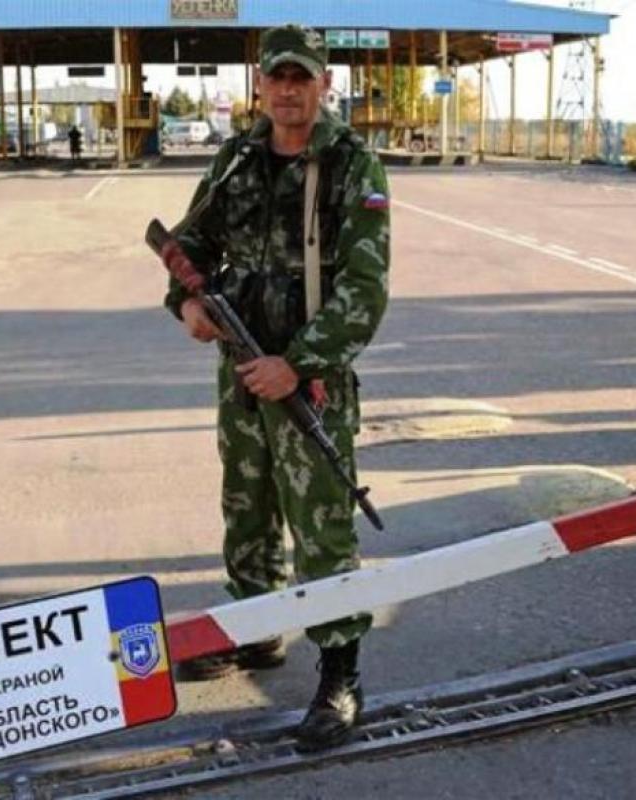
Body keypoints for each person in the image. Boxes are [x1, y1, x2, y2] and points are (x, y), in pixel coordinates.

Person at [160, 24, 390, 751]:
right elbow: (188, 245)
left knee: (321, 521)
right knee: (248, 507)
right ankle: (252, 629)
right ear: (260, 85)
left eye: (304, 78)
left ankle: (341, 671)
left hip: (306, 378)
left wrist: (300, 362)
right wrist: (189, 306)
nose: (290, 91)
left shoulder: (353, 165)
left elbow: (365, 287)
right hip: (240, 369)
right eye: (278, 78)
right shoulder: (236, 159)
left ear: (325, 85)